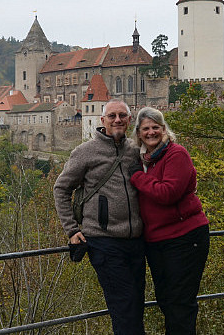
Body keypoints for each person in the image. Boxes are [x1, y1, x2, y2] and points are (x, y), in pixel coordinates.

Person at [54, 99, 145, 335]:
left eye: (122, 116)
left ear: (129, 120)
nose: (117, 120)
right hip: (104, 241)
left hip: (136, 241)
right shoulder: (85, 152)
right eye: (112, 116)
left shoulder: (135, 151)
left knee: (136, 303)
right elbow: (61, 188)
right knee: (124, 306)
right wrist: (72, 229)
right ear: (102, 120)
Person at [129, 106, 209, 335]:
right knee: (166, 299)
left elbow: (168, 193)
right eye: (146, 128)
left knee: (180, 303)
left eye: (156, 127)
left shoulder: (176, 154)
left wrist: (137, 177)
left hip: (185, 238)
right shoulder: (144, 159)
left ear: (164, 129)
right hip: (156, 241)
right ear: (138, 133)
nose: (151, 132)